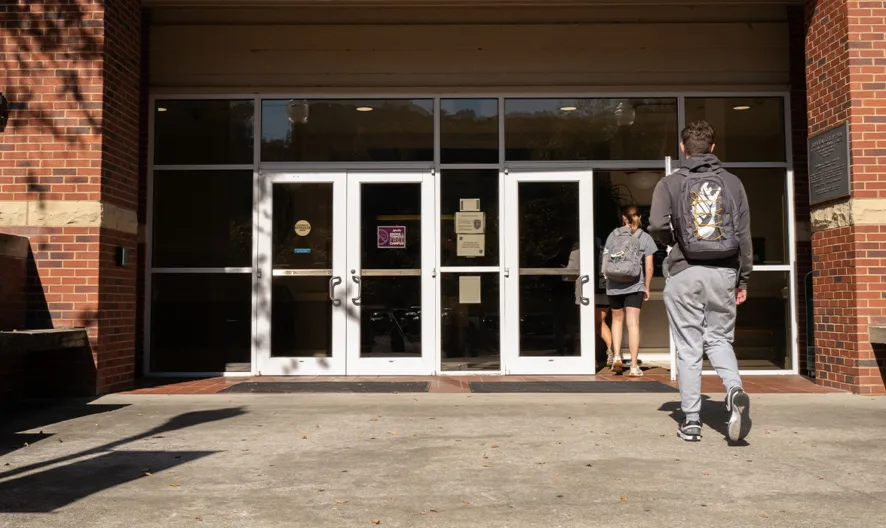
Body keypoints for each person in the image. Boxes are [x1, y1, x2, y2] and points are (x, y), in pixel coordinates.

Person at [649, 120, 753, 443]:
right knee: (719, 339)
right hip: (723, 272)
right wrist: (743, 279)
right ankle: (734, 390)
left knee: (689, 346)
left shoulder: (670, 183)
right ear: (713, 147)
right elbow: (744, 236)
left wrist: (673, 241)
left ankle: (691, 422)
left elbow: (655, 224)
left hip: (684, 271)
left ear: (683, 149)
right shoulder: (733, 183)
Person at [602, 205, 657, 377]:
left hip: (614, 284)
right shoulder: (645, 237)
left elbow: (605, 258)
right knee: (633, 324)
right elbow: (649, 266)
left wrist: (607, 278)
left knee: (617, 321)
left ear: (623, 218)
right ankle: (634, 366)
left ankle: (617, 356)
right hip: (635, 285)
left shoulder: (613, 235)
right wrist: (646, 286)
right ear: (639, 217)